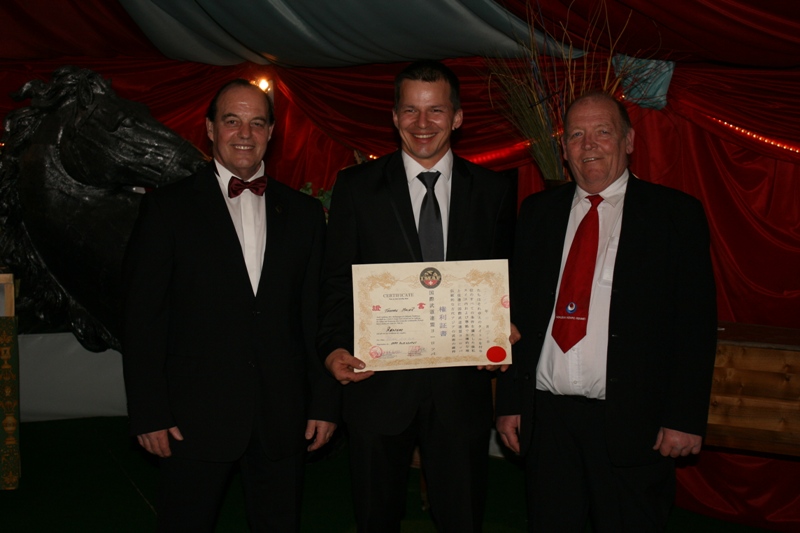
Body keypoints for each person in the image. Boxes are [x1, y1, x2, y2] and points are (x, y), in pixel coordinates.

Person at [121, 79, 340, 532]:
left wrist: (324, 402)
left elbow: (313, 316)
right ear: (209, 128)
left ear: (271, 132)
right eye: (232, 121)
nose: (245, 133)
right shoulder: (167, 209)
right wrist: (149, 411)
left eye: (257, 123)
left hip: (283, 418)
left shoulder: (303, 214)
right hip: (192, 418)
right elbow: (143, 319)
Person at [495, 91, 717, 532]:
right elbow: (518, 317)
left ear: (629, 141)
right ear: (564, 149)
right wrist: (511, 403)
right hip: (548, 422)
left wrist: (683, 418)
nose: (589, 144)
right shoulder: (537, 213)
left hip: (633, 421)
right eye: (577, 134)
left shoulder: (675, 215)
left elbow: (695, 326)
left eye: (602, 132)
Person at [317, 60, 517, 532]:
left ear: (457, 117)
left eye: (436, 110)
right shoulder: (356, 187)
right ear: (394, 116)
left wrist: (506, 325)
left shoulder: (493, 191)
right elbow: (335, 281)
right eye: (410, 110)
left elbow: (509, 279)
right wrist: (333, 347)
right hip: (377, 389)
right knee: (375, 518)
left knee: (462, 518)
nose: (422, 123)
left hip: (460, 392)